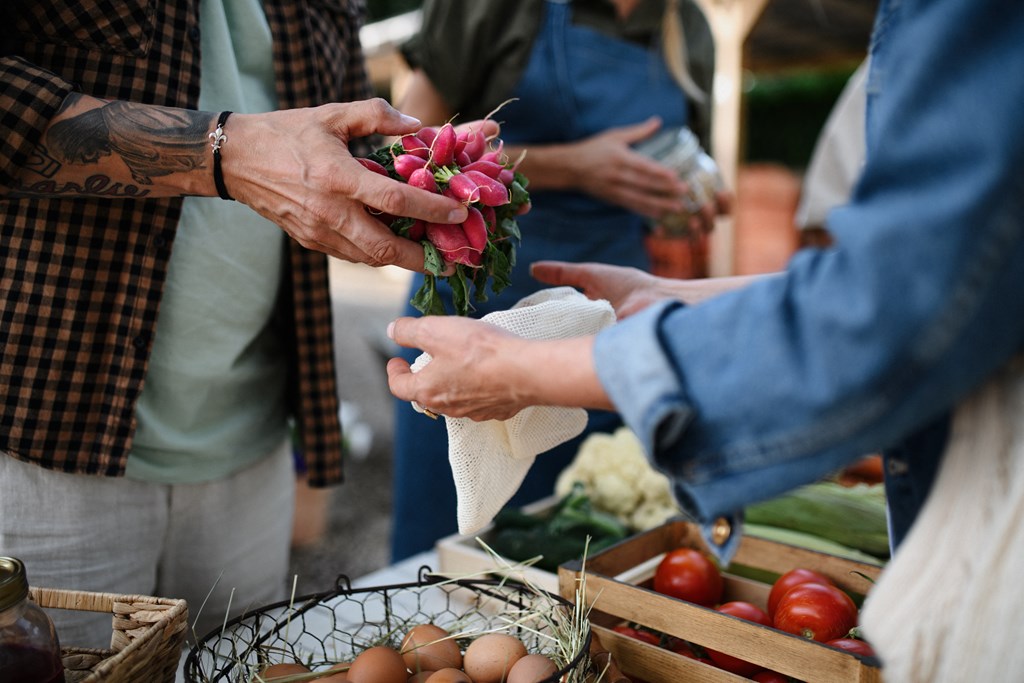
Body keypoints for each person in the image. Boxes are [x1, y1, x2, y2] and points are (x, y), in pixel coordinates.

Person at [386, 0, 1024, 678]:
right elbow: (405, 148)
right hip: (504, 316)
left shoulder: (685, 25)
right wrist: (674, 299)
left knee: (551, 604)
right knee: (436, 573)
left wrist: (536, 370)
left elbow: (885, 301)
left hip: (594, 353)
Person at [0, 0, 485, 647]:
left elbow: (344, 143)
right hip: (46, 437)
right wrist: (223, 152)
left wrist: (432, 189)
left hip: (251, 441)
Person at [389, 0, 729, 561]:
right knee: (445, 554)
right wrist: (571, 167)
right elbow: (405, 147)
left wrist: (685, 203)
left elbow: (681, 164)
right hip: (479, 308)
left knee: (578, 554)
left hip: (601, 324)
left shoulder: (687, 26)